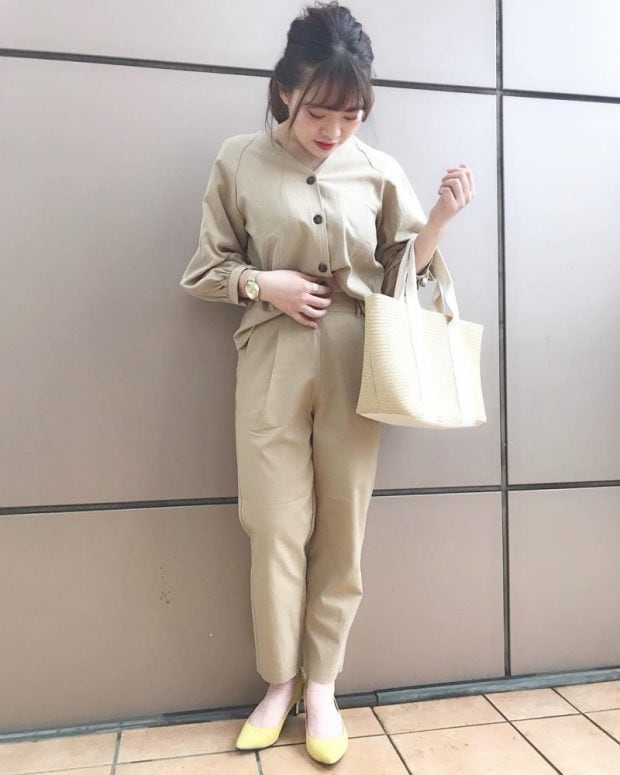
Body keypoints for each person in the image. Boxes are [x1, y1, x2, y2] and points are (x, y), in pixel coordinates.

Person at [179, 0, 474, 764]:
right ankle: (278, 682)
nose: (334, 130)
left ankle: (323, 688)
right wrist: (264, 283)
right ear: (284, 89)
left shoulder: (377, 170)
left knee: (344, 526)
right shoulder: (239, 161)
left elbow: (400, 271)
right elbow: (205, 269)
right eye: (319, 111)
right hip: (271, 356)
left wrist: (439, 218)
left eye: (351, 115)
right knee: (274, 524)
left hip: (353, 355)